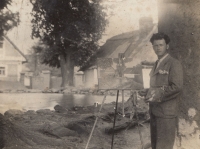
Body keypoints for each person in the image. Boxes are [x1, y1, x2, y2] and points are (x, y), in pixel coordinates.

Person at [139, 32, 183, 149]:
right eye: (155, 45)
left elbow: (176, 87)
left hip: (166, 114)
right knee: (155, 146)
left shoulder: (174, 64)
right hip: (155, 112)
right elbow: (158, 86)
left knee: (163, 147)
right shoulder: (156, 64)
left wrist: (152, 94)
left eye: (161, 45)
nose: (158, 48)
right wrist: (147, 91)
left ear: (167, 46)